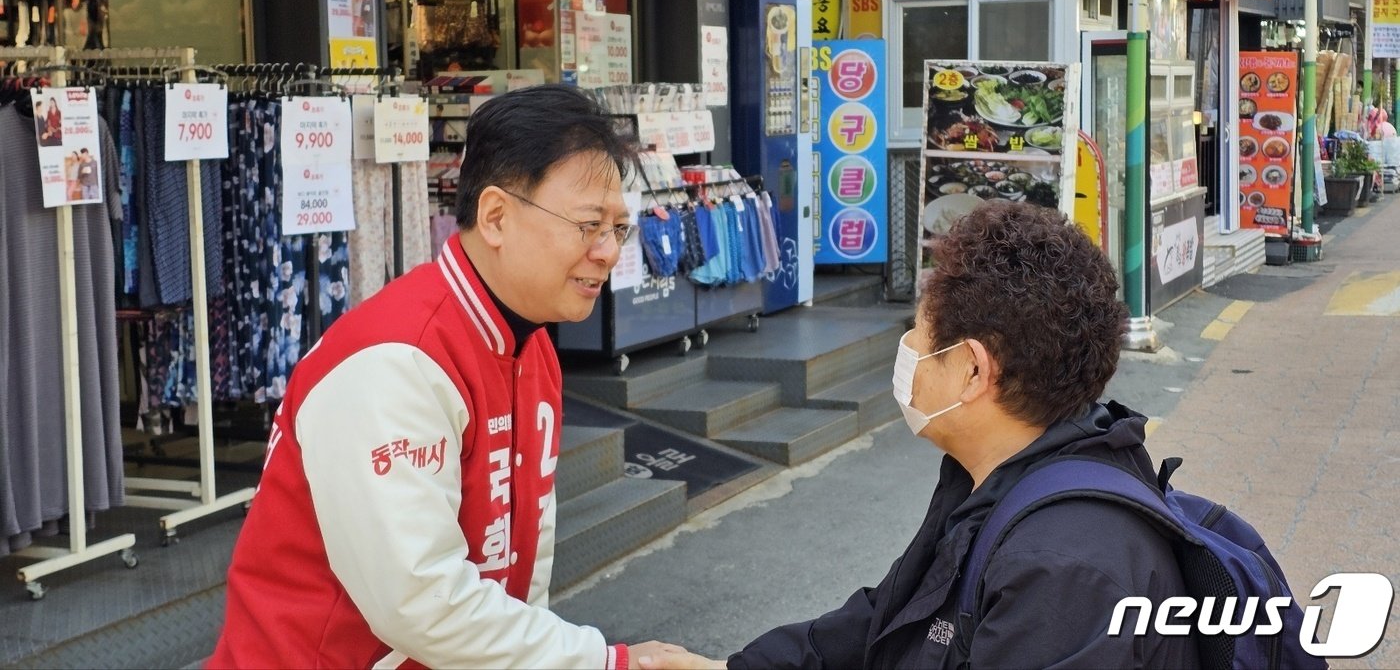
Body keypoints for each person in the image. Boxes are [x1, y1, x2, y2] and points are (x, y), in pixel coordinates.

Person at [209, 85, 689, 669]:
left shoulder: (530, 342)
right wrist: (606, 662)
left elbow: (522, 563)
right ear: (495, 216)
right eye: (589, 225)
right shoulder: (394, 361)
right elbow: (419, 600)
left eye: (618, 228)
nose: (608, 251)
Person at [647, 202, 1200, 670]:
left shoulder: (1063, 570)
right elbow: (889, 622)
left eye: (918, 331)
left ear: (972, 371)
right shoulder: (997, 475)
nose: (908, 346)